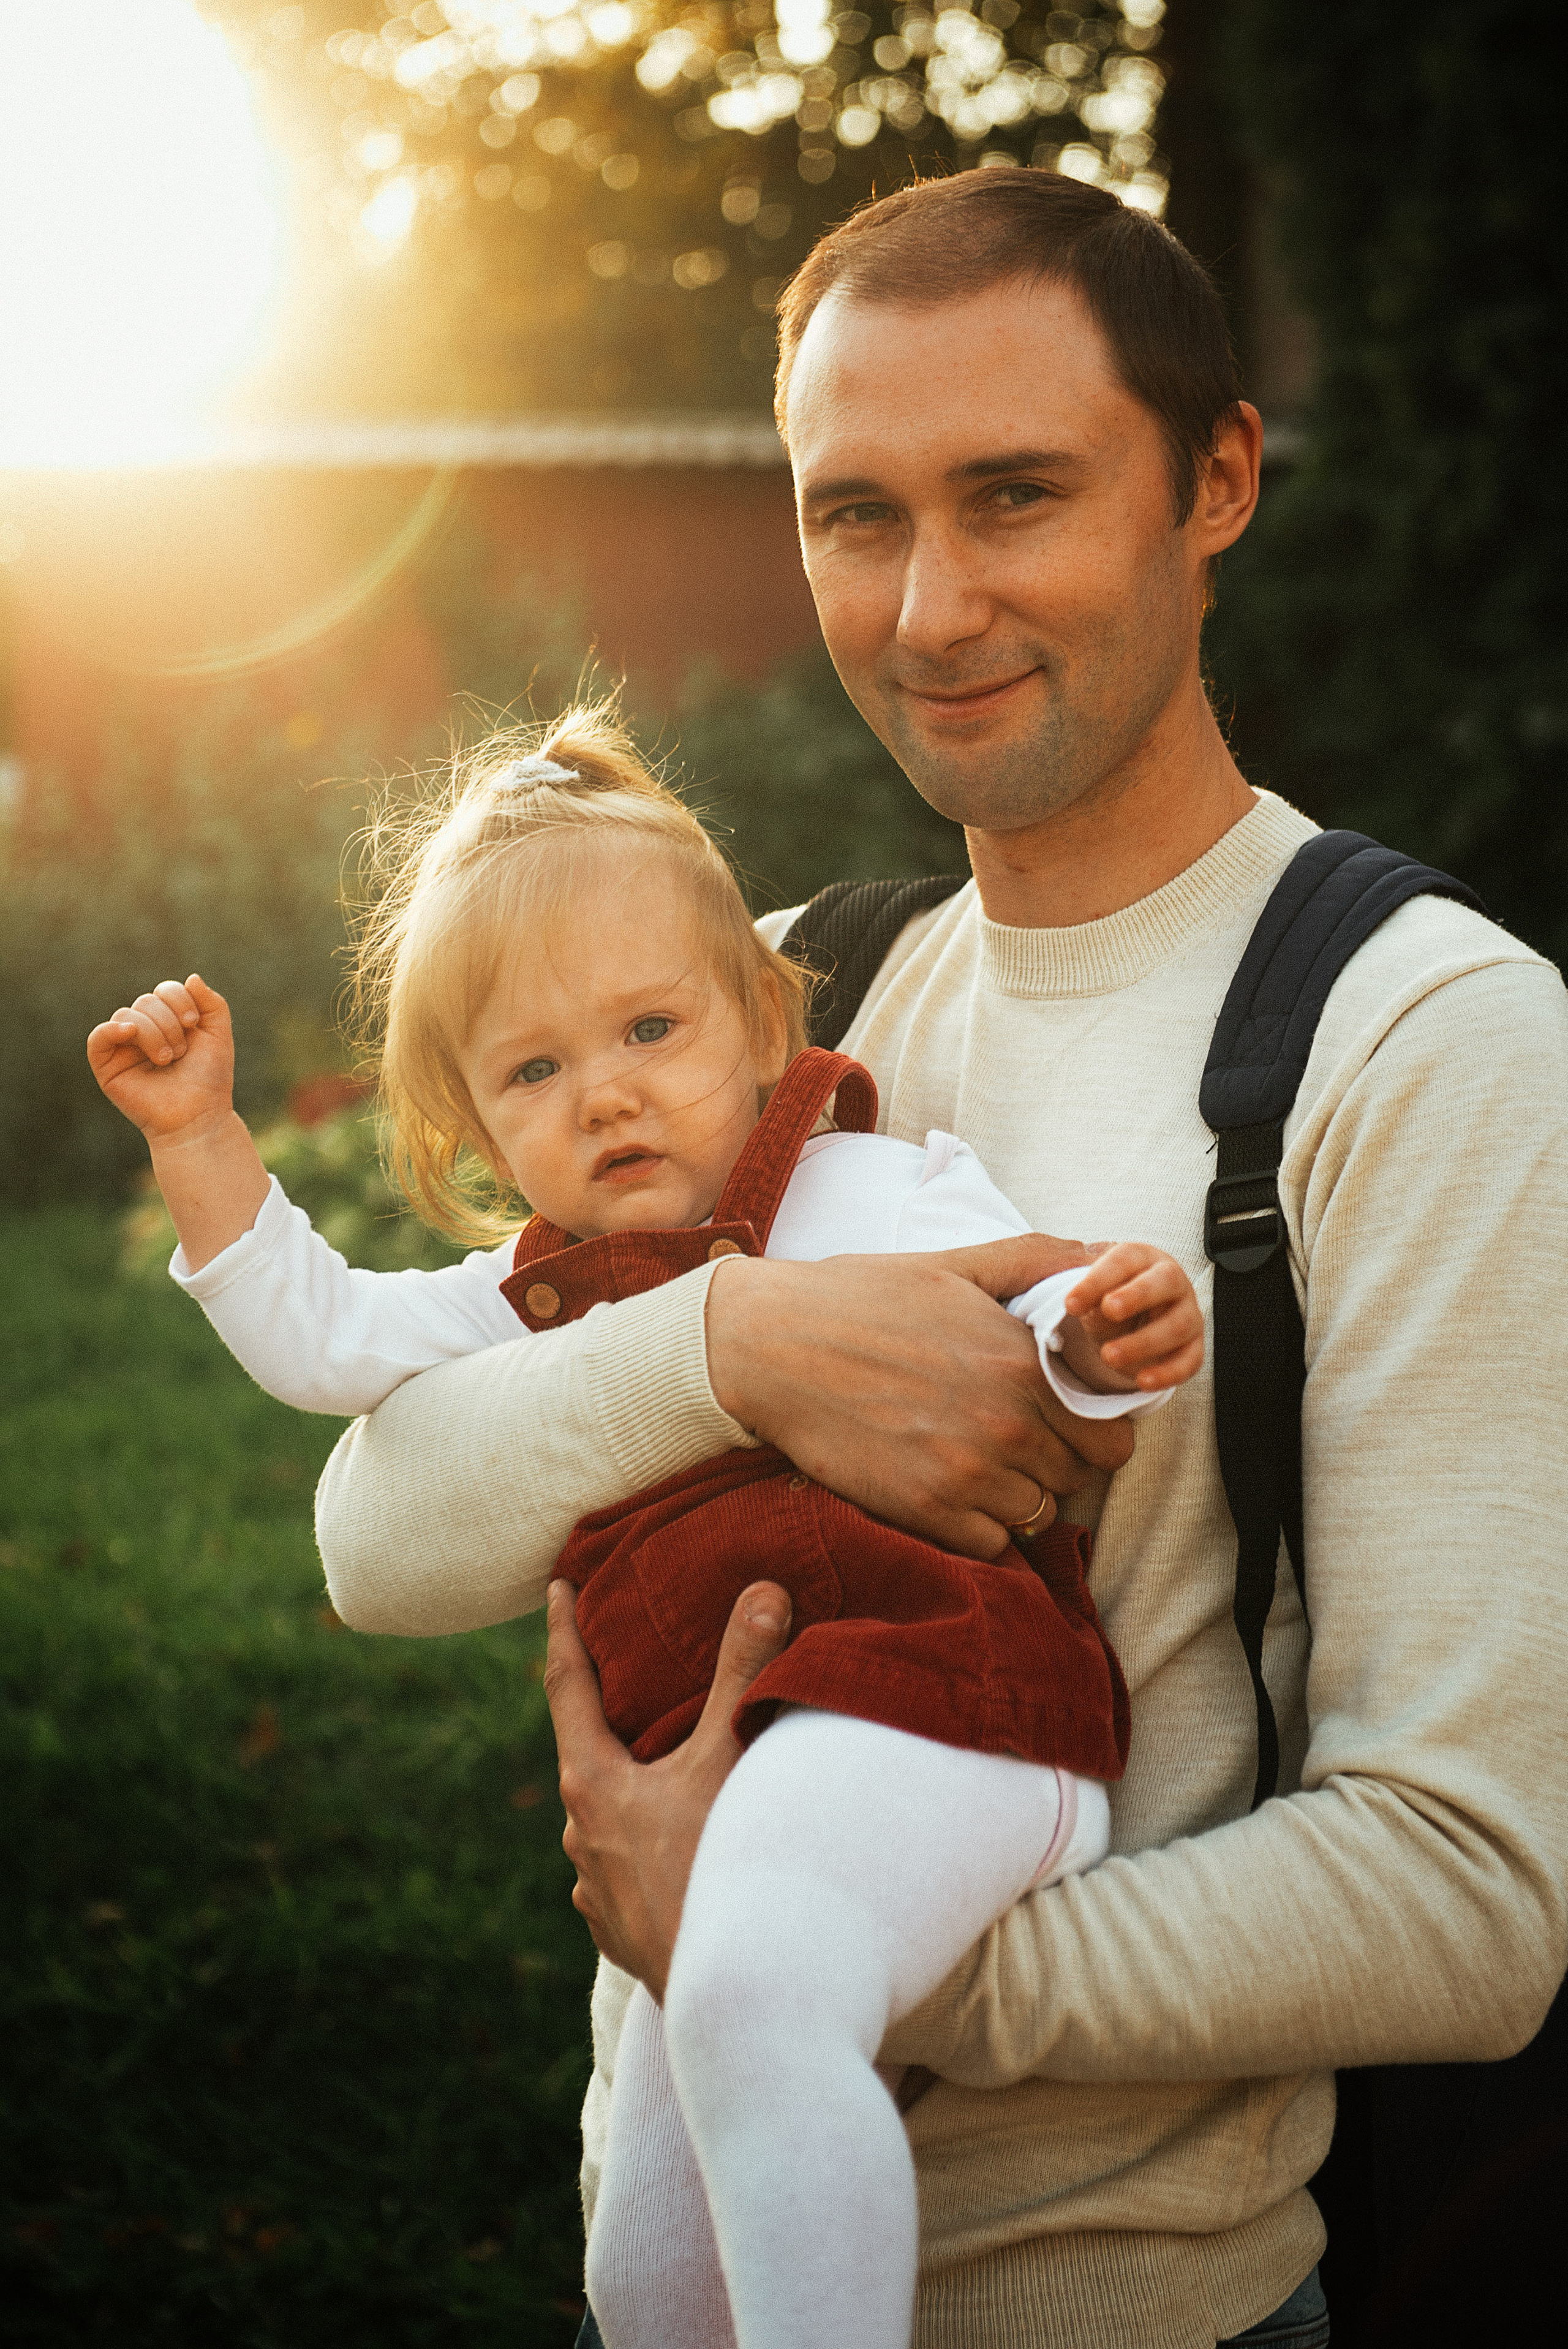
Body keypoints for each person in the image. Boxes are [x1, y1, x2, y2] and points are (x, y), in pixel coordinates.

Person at [312, 170, 1568, 2348]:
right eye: (853, 514)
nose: (926, 605)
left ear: (1219, 483)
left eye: (1015, 494)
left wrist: (781, 1948)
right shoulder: (781, 995)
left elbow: (1468, 1897)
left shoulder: (1431, 1041)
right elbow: (376, 1526)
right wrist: (734, 1340)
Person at [86, 712, 1206, 2349]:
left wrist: (1095, 1345)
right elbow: (322, 1345)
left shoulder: (879, 1187)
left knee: (751, 1990)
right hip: (736, 1777)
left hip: (948, 1711)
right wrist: (198, 1138)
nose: (604, 1094)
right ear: (478, 1126)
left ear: (762, 1019)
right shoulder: (531, 1298)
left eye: (651, 1029)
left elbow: (1039, 1358)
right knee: (647, 2270)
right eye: (535, 1070)